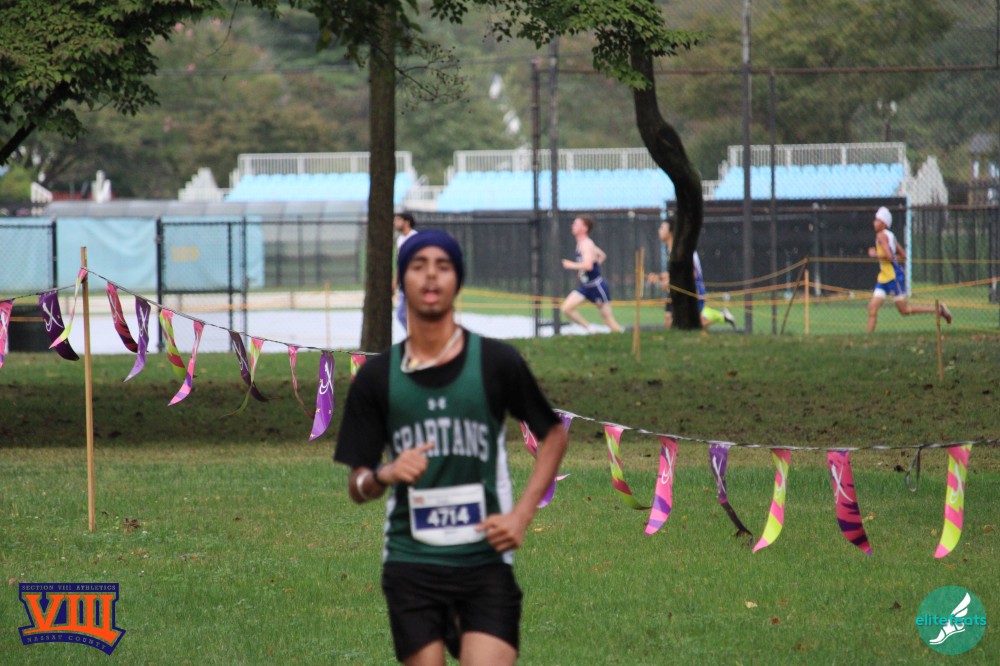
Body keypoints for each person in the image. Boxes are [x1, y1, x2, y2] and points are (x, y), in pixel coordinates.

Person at [335, 230, 569, 665]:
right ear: (401, 281)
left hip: (484, 561)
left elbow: (553, 434)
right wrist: (385, 473)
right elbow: (357, 484)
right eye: (418, 265)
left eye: (443, 266)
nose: (431, 276)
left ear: (457, 280)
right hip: (411, 562)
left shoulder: (496, 363)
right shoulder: (377, 378)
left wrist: (521, 516)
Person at [866, 206, 951, 333]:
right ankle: (868, 338)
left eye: (877, 220)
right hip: (884, 277)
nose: (874, 222)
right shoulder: (891, 236)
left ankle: (939, 309)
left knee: (904, 310)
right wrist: (890, 257)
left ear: (884, 223)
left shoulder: (881, 235)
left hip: (893, 277)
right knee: (872, 308)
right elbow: (903, 256)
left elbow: (889, 256)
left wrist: (875, 254)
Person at [646, 220, 735, 329]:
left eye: (662, 228)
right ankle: (716, 316)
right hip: (681, 290)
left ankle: (718, 315)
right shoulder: (672, 249)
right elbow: (676, 272)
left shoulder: (682, 250)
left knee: (689, 326)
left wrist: (671, 282)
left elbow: (690, 273)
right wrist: (659, 277)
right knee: (670, 321)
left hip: (693, 289)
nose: (659, 231)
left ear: (671, 232)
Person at [560, 216, 624, 333]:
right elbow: (601, 255)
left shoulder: (587, 244)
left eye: (576, 224)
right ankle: (591, 329)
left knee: (608, 320)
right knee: (566, 308)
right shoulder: (581, 243)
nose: (572, 226)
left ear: (584, 228)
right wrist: (582, 271)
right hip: (586, 287)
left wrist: (571, 265)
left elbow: (588, 265)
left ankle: (622, 335)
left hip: (597, 286)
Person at [393, 212, 419, 331]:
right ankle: (415, 337)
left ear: (407, 222)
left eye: (398, 220)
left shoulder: (415, 237)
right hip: (404, 283)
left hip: (415, 282)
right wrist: (395, 281)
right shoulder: (400, 240)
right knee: (401, 315)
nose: (395, 223)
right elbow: (400, 262)